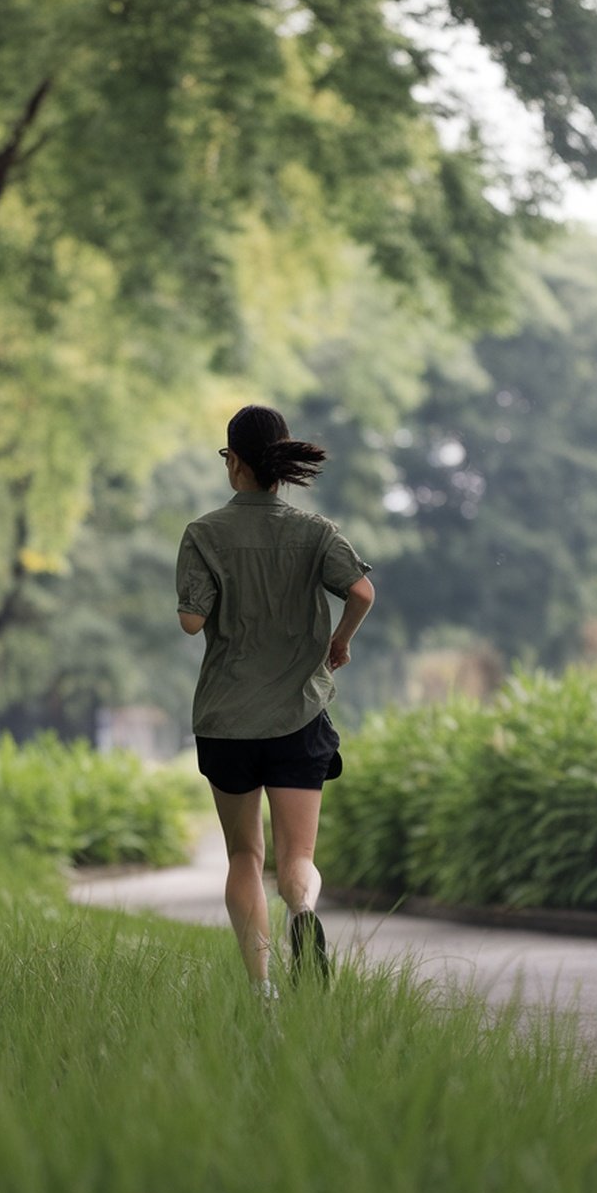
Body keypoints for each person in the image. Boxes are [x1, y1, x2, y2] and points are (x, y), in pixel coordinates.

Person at [176, 404, 375, 993]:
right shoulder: (315, 531)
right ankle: (305, 913)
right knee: (297, 859)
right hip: (298, 715)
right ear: (282, 465)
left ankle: (261, 990)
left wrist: (219, 592)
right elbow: (362, 590)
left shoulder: (204, 533)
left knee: (244, 857)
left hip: (227, 719)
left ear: (234, 461)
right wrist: (339, 641)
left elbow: (192, 622)